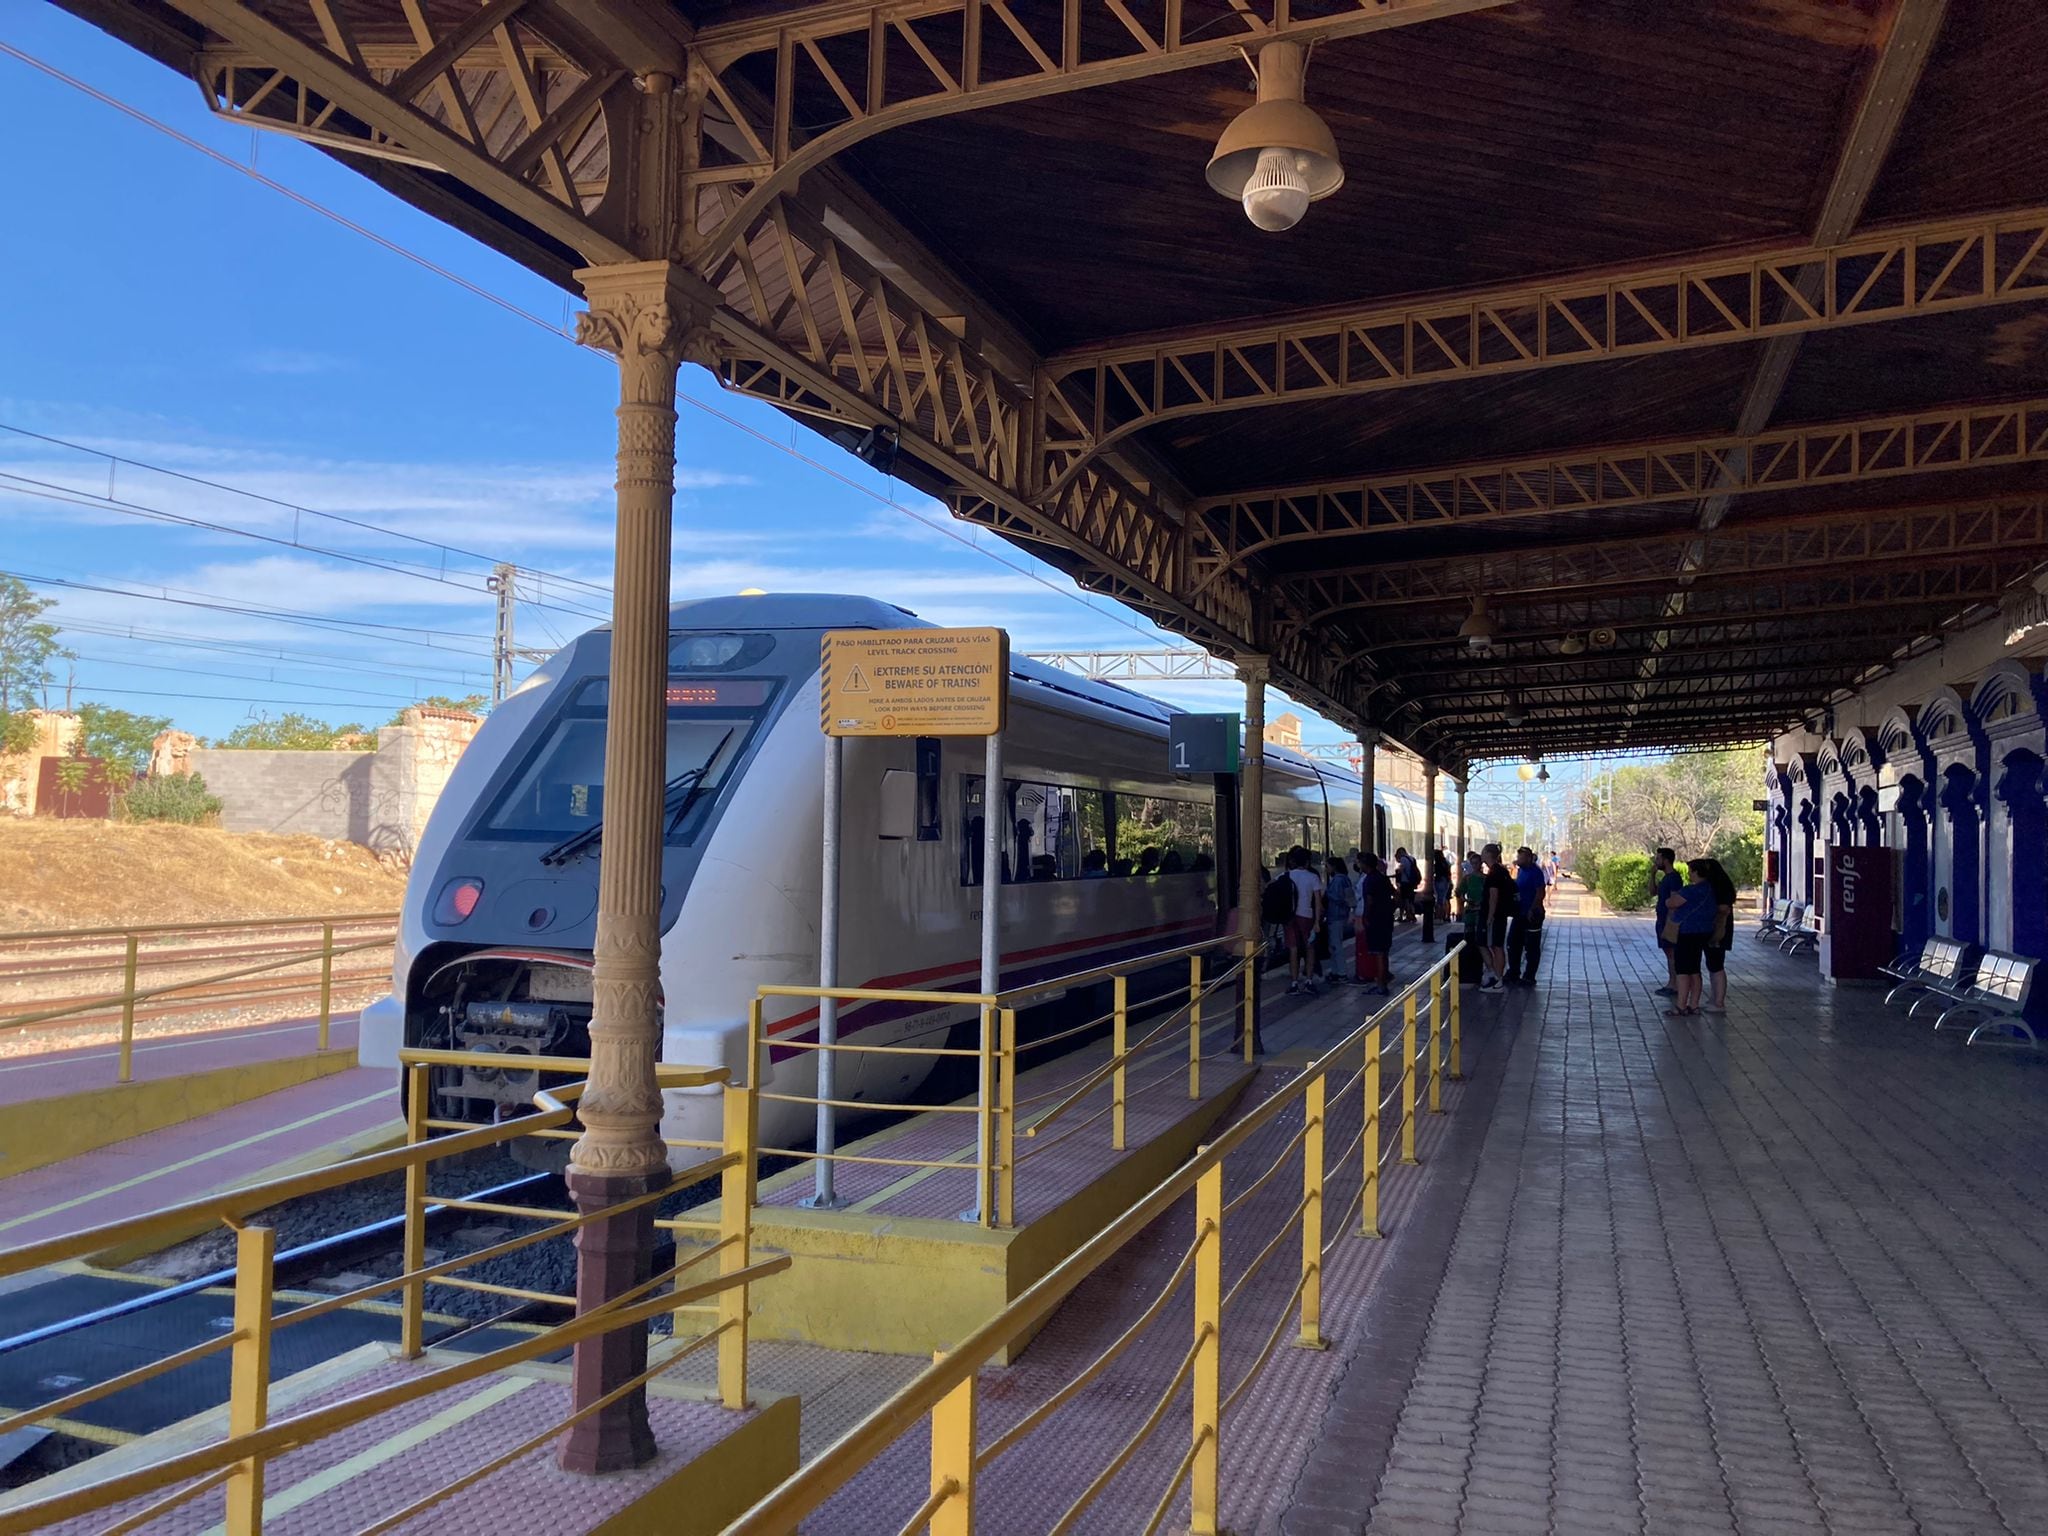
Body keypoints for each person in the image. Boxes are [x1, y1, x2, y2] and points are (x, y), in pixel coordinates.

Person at [1664, 859, 1718, 1017]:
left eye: (1690, 871)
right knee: (1695, 969)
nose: (1689, 874)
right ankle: (1694, 1004)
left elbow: (1671, 903)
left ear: (1696, 872)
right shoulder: (1710, 890)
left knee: (1682, 970)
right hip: (1704, 932)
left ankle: (1681, 1005)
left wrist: (1668, 900)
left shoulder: (1691, 891)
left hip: (1687, 933)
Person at [1284, 845, 1324, 996]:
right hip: (1307, 916)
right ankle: (1309, 981)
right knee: (1309, 949)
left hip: (1289, 917)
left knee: (1293, 949)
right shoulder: (1312, 877)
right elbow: (1318, 901)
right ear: (1307, 862)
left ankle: (1294, 983)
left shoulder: (1286, 876)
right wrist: (1317, 922)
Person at [1506, 846, 1548, 986]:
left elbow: (1540, 892)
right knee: (1513, 943)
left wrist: (1533, 908)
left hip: (1532, 914)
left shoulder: (1535, 872)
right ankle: (1514, 972)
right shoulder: (1521, 871)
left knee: (1531, 946)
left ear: (1529, 858)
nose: (1518, 860)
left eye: (1521, 858)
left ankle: (1529, 976)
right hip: (1520, 913)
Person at [1700, 856, 1737, 1014]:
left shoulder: (1719, 889)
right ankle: (1715, 997)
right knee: (1713, 964)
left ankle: (1719, 1001)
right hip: (1718, 929)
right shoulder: (1722, 886)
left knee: (1716, 966)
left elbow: (1722, 909)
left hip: (1718, 930)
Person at [1356, 852, 1395, 995]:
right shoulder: (1382, 878)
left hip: (1375, 920)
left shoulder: (1369, 880)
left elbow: (1369, 901)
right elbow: (1395, 893)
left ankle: (1380, 985)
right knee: (1384, 952)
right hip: (1386, 919)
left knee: (1378, 952)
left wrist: (1366, 917)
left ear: (1365, 864)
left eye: (1360, 863)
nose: (1358, 865)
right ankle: (1383, 981)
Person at [1481, 843, 1515, 991]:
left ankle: (1497, 979)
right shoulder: (1502, 870)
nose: (1481, 854)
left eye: (1483, 851)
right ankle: (1497, 977)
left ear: (1488, 853)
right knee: (1496, 945)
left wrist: (1490, 916)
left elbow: (1493, 896)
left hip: (1495, 916)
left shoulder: (1494, 873)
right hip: (1501, 915)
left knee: (1496, 946)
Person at [1651, 848, 1683, 997]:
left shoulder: (1674, 878)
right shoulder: (1665, 878)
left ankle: (1674, 984)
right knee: (1668, 951)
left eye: (1658, 859)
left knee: (1672, 952)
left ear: (1666, 860)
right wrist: (1652, 876)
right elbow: (1653, 892)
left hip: (1668, 920)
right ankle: (1672, 982)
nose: (1656, 862)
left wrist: (1670, 924)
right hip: (1661, 917)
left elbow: (1674, 901)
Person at [1322, 852, 1356, 984]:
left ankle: (1341, 973)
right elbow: (1349, 898)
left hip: (1335, 915)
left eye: (1328, 866)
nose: (1326, 869)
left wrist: (1326, 895)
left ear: (1334, 867)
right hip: (1342, 915)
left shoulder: (1337, 880)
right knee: (1335, 945)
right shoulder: (1345, 879)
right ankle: (1336, 972)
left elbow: (1337, 897)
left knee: (1336, 946)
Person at [1393, 847, 1420, 923]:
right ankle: (1412, 915)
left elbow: (1401, 870)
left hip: (1405, 882)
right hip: (1412, 882)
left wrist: (1397, 872)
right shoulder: (1412, 858)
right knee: (1410, 900)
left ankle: (1409, 915)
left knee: (1406, 900)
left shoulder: (1403, 859)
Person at [1432, 849, 1453, 921]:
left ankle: (1440, 915)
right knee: (1446, 898)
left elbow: (1434, 872)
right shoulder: (1446, 862)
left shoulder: (1438, 863)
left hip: (1440, 880)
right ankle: (1446, 915)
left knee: (1439, 899)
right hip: (1446, 881)